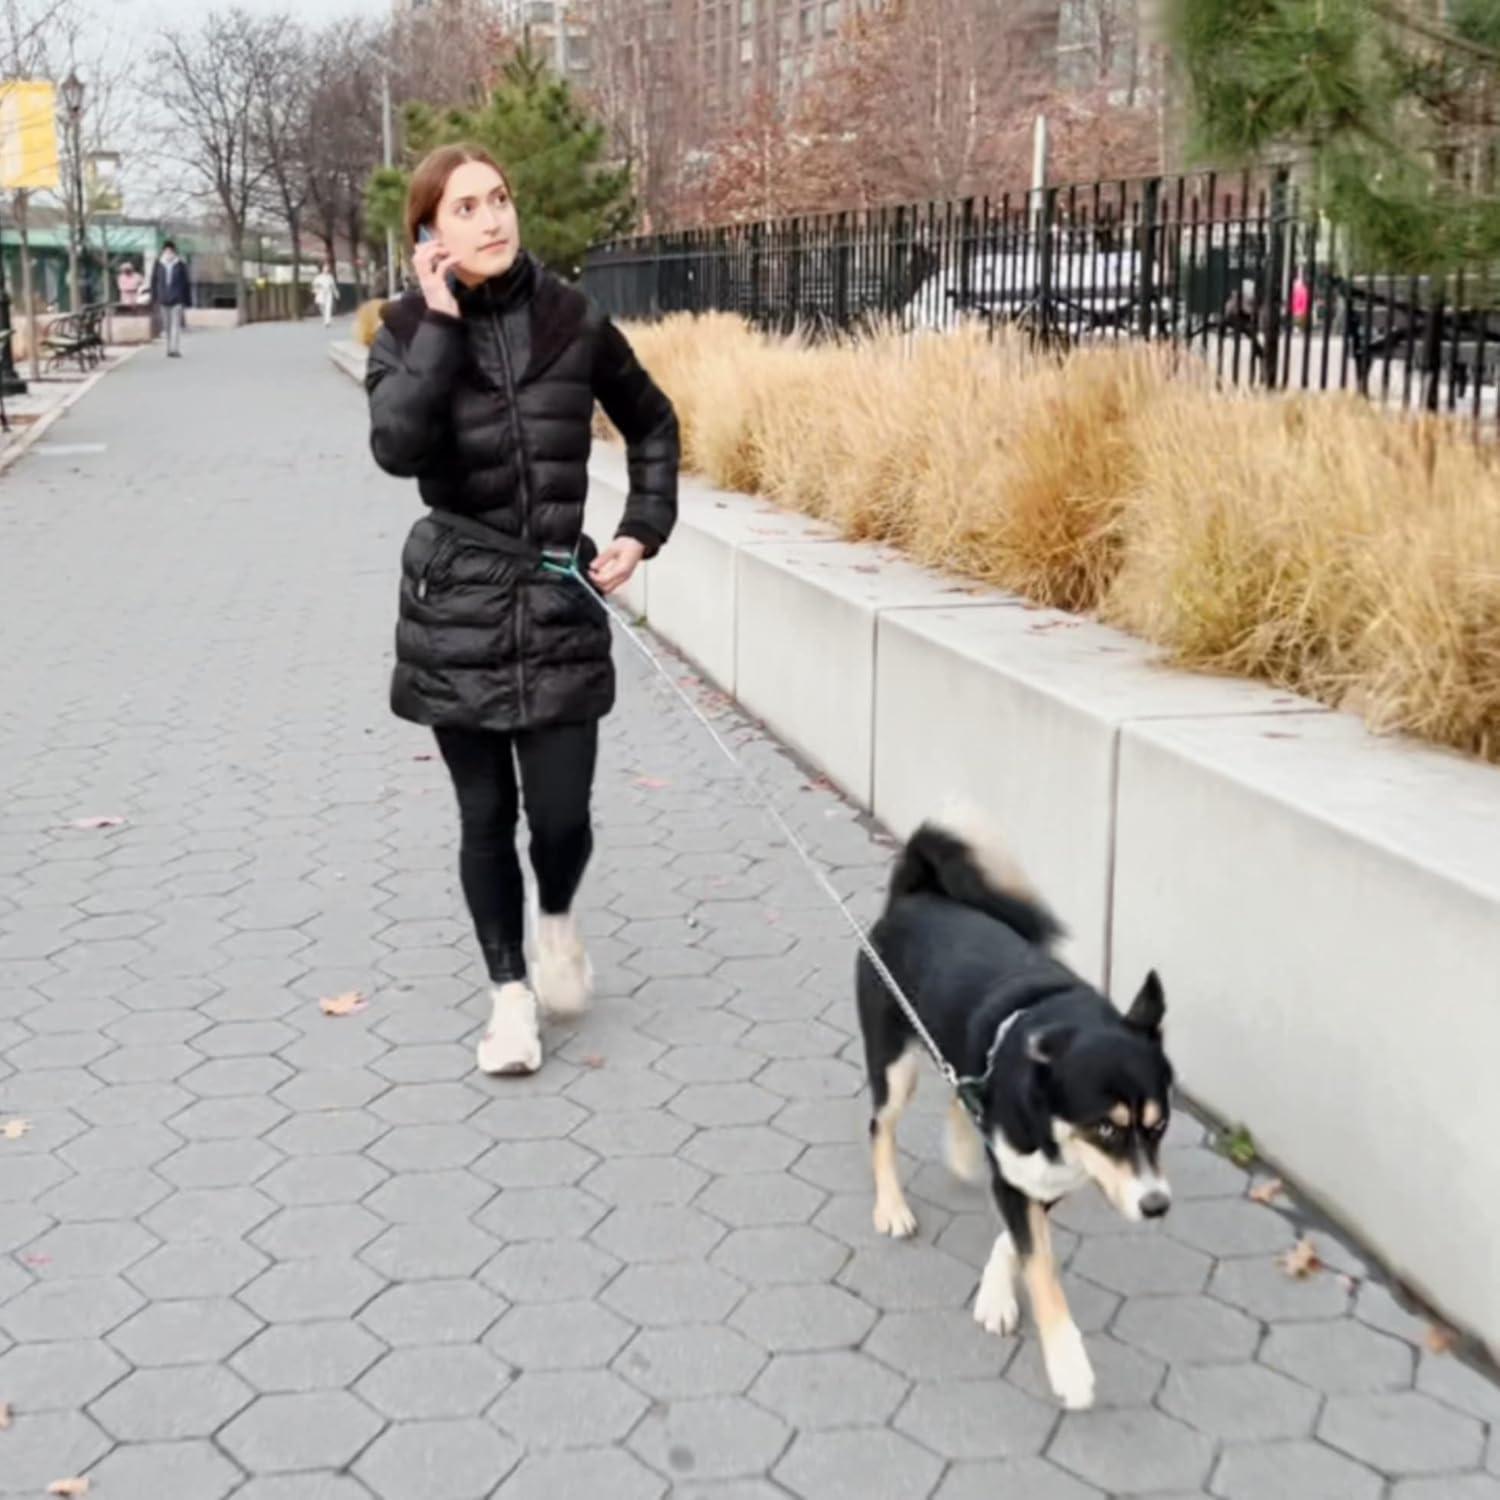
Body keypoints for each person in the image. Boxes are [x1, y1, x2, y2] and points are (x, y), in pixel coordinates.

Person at [366, 143, 679, 1077]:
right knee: (484, 812)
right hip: (457, 597)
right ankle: (509, 998)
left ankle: (555, 920)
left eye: (499, 199)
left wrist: (642, 527)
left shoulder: (571, 318)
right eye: (464, 208)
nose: (491, 219)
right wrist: (439, 320)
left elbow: (652, 420)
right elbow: (395, 445)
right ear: (429, 234)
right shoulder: (406, 327)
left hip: (557, 596)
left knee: (561, 817)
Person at [150, 241, 190, 357]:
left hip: (177, 299)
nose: (168, 253)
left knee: (175, 325)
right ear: (163, 252)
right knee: (167, 325)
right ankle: (168, 348)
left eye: (171, 251)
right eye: (166, 251)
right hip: (163, 299)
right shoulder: (158, 264)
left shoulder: (180, 264)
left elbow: (185, 282)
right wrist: (154, 297)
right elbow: (153, 281)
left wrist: (186, 300)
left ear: (174, 252)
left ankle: (175, 349)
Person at [312, 262, 339, 326]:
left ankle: (327, 321)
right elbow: (315, 285)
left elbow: (333, 286)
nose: (326, 269)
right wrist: (316, 290)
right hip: (321, 293)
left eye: (327, 268)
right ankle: (325, 318)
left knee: (328, 307)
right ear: (322, 268)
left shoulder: (330, 277)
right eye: (325, 267)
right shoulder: (319, 277)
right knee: (322, 307)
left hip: (329, 293)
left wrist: (336, 293)